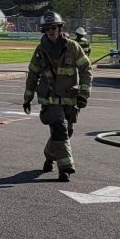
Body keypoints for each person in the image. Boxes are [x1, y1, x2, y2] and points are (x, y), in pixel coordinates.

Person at [22, 11, 93, 182]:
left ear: (60, 28)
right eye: (47, 29)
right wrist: (28, 97)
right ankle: (65, 167)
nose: (51, 31)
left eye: (53, 27)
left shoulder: (72, 47)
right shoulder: (40, 51)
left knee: (65, 132)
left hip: (69, 98)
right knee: (60, 128)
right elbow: (32, 74)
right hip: (50, 100)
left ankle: (48, 154)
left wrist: (84, 93)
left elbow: (86, 69)